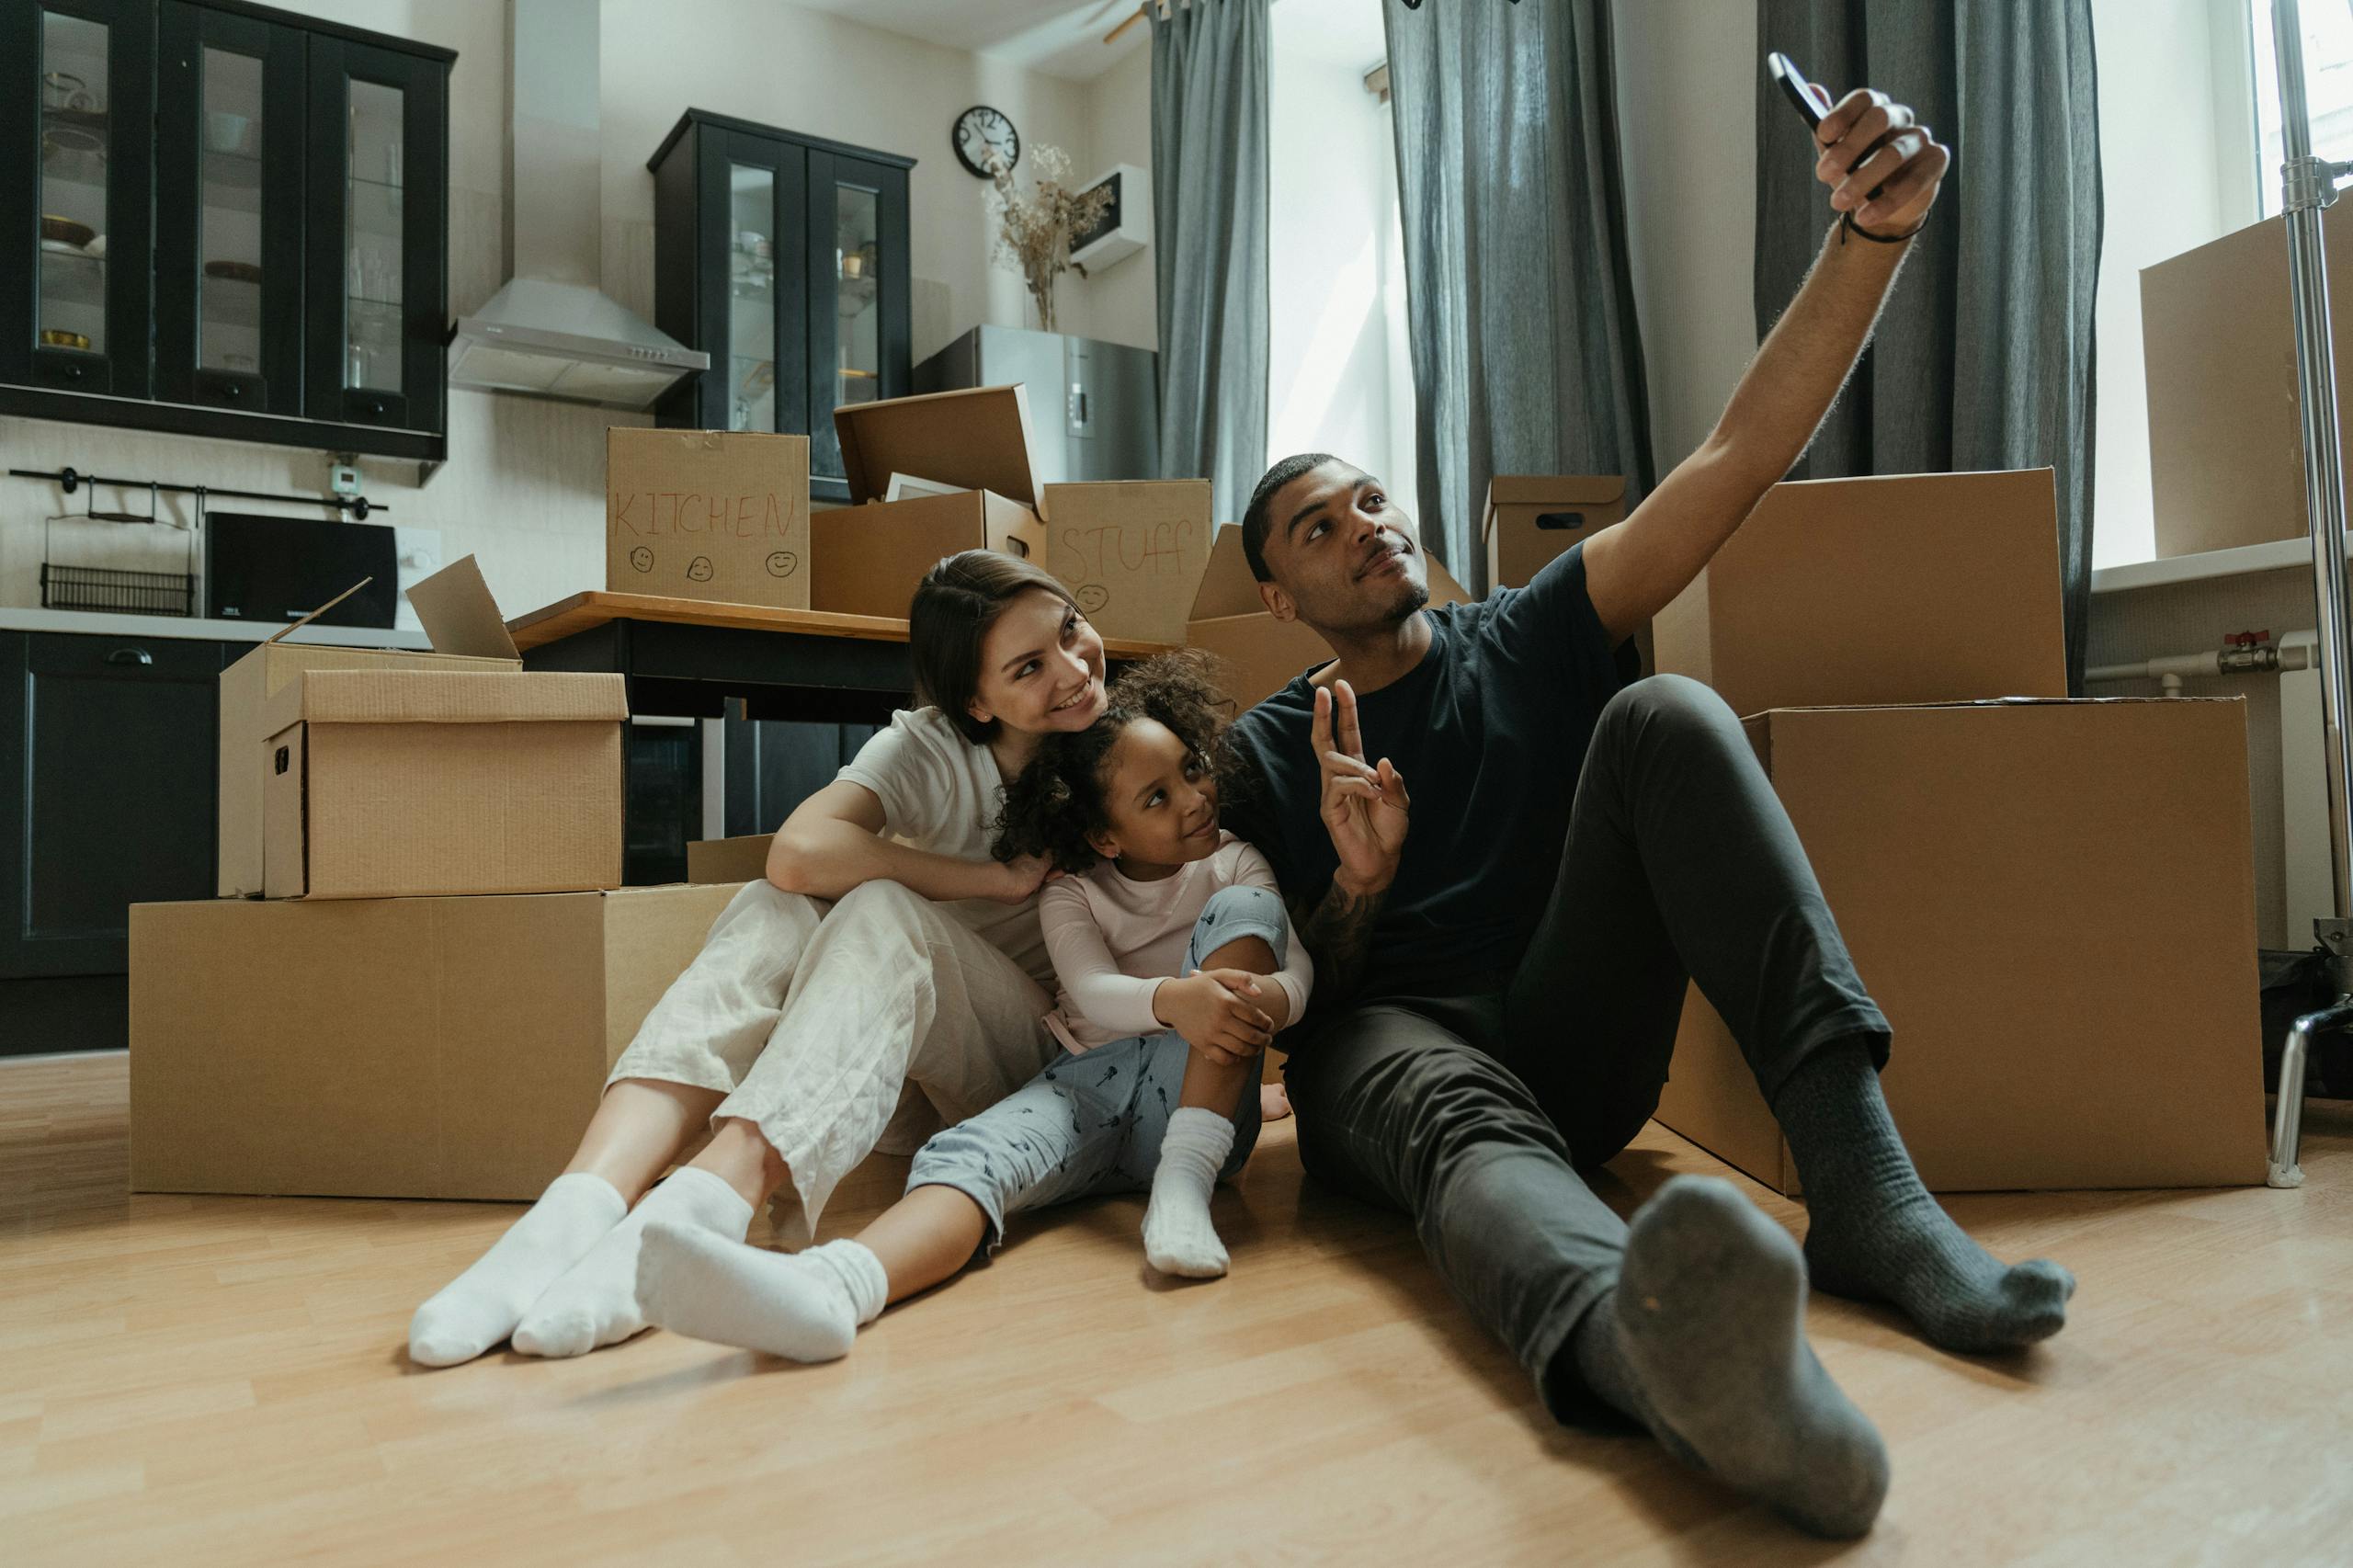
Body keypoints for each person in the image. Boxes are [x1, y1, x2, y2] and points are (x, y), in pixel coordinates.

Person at [1215, 88, 2066, 1540]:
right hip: (1400, 1064)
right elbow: (1299, 1014)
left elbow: (1734, 459)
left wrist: (1875, 236)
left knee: (1665, 714)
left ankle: (1868, 1197)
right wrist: (1357, 888)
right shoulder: (1267, 746)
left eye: (1370, 499)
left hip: (1574, 1038)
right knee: (1423, 1087)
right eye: (1321, 526)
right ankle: (1655, 1355)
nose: (1366, 525)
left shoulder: (1533, 631)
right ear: (1281, 597)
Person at [407, 551, 1110, 1367]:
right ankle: (582, 1201)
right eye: (1030, 667)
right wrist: (993, 880)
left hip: (1039, 1069)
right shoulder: (931, 746)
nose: (1074, 669)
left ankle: (713, 1197)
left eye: (1069, 630)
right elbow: (798, 854)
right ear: (974, 703)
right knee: (780, 903)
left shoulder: (1132, 745)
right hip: (898, 1065)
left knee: (882, 906)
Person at [634, 653, 1313, 1361]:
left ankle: (1183, 1186)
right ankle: (836, 1288)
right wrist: (1175, 999)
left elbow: (1296, 967)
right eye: (1156, 798)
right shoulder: (1072, 889)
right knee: (970, 1156)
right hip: (1084, 1078)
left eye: (1192, 769)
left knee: (1246, 910)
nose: (1194, 798)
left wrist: (1273, 1000)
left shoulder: (1234, 862)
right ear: (1104, 837)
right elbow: (1088, 992)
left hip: (1199, 1102)